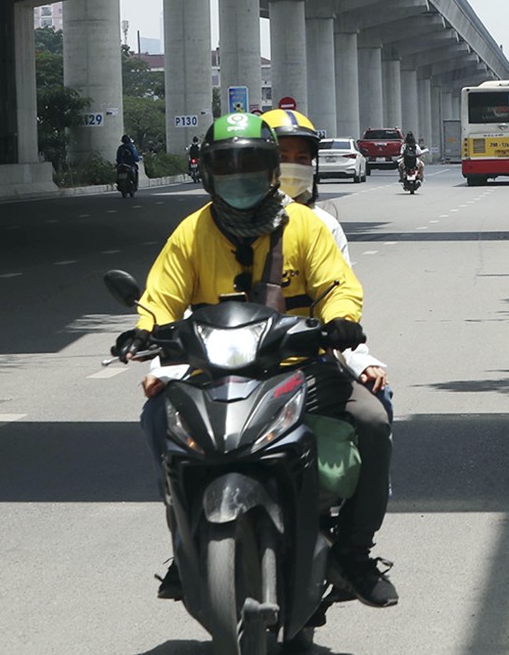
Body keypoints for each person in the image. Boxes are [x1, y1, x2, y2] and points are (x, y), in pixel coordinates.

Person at [112, 112, 397, 609]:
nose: (239, 178)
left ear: (271, 173)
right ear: (208, 175)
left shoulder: (307, 226)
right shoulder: (191, 233)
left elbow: (337, 285)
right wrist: (144, 331)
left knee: (373, 419)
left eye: (251, 166)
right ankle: (185, 542)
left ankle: (354, 553)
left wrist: (342, 320)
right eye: (228, 167)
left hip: (302, 370)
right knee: (157, 419)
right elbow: (162, 294)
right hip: (213, 372)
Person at [262, 109, 389, 408]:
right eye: (282, 156)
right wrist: (167, 368)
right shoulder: (210, 225)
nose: (292, 166)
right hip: (231, 364)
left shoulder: (321, 224)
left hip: (306, 360)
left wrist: (355, 355)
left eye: (302, 159)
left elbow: (338, 292)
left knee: (372, 412)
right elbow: (183, 298)